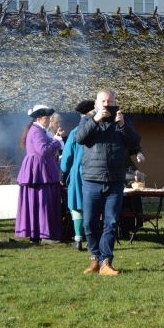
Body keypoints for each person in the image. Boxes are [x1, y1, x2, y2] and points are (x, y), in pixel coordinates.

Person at [75, 89, 141, 276]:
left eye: (110, 101)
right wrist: (95, 120)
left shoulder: (122, 119)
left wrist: (123, 126)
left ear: (114, 102)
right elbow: (79, 138)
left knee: (111, 222)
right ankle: (94, 258)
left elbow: (135, 142)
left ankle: (106, 262)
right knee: (89, 223)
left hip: (115, 179)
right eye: (103, 101)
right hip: (91, 179)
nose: (106, 104)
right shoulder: (87, 119)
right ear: (96, 103)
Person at [15, 105, 63, 244]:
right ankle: (42, 233)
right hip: (38, 171)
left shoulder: (39, 130)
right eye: (46, 118)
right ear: (39, 118)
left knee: (39, 202)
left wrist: (55, 139)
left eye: (48, 118)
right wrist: (56, 142)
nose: (48, 121)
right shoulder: (36, 131)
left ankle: (38, 234)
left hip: (40, 170)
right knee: (41, 202)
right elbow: (43, 150)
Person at [61, 100, 94, 251]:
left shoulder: (75, 132)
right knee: (92, 206)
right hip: (93, 173)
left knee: (77, 207)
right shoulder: (98, 129)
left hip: (77, 174)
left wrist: (63, 172)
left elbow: (67, 157)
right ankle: (91, 239)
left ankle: (78, 239)